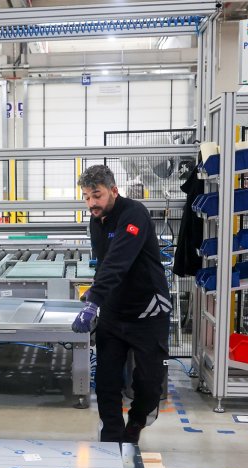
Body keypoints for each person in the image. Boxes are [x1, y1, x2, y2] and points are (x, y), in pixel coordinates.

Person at [70, 165, 170, 445]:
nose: (92, 203)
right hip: (114, 312)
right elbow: (103, 264)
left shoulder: (133, 213)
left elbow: (120, 259)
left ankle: (136, 423)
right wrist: (96, 298)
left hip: (148, 311)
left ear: (114, 190)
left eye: (97, 195)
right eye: (87, 197)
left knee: (150, 383)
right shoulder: (96, 221)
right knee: (106, 381)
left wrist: (93, 300)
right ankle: (112, 439)